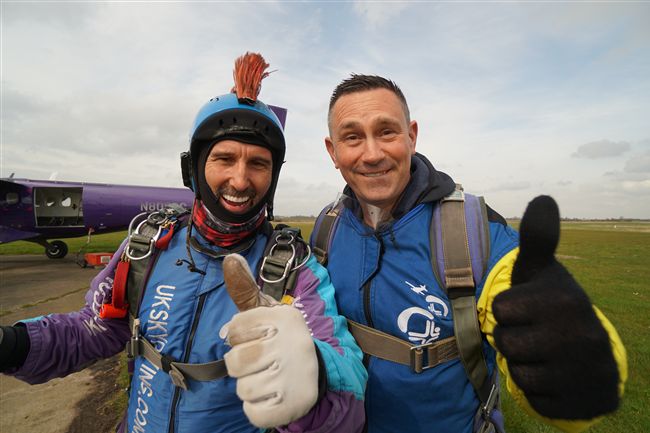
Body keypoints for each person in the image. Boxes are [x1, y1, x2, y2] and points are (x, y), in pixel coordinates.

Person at [0, 53, 367, 433]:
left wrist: (315, 377)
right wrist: (12, 344)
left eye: (258, 164)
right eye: (224, 159)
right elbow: (94, 329)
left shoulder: (294, 270)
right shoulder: (146, 247)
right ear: (193, 168)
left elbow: (348, 393)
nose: (240, 180)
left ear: (272, 178)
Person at [314, 74, 627, 433]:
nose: (372, 154)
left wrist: (571, 362)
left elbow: (520, 293)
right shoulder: (327, 228)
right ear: (333, 151)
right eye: (353, 137)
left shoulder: (469, 231)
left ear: (411, 137)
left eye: (387, 132)